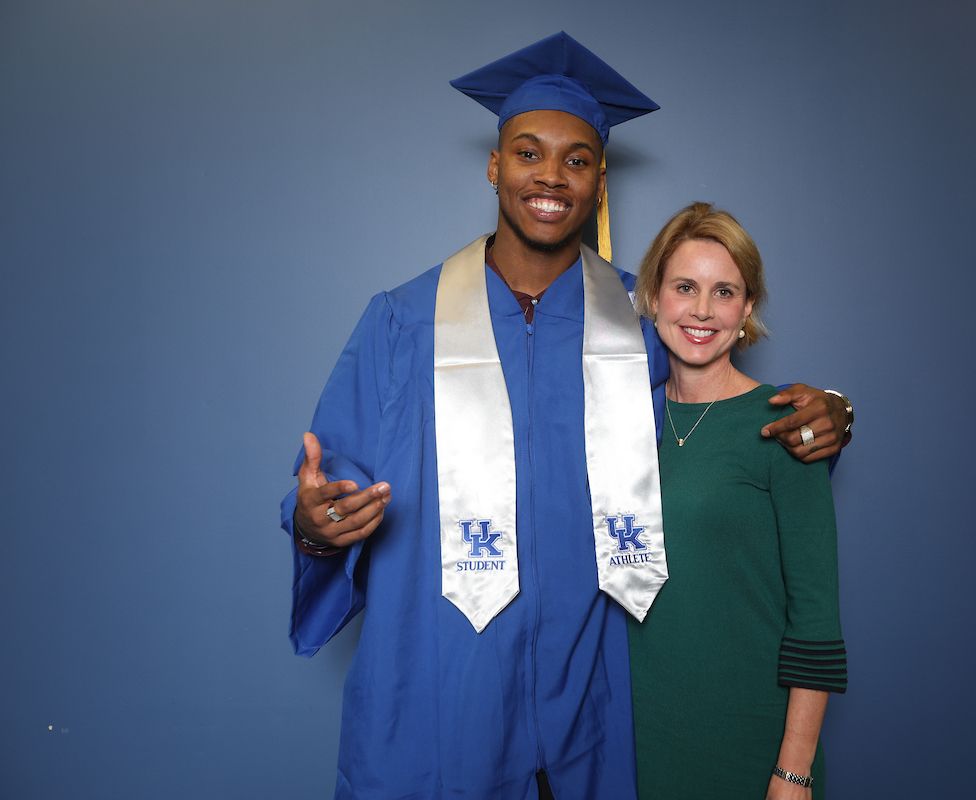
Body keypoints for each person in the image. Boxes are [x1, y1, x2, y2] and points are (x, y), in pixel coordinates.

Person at [281, 34, 852, 800]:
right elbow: (328, 489)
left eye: (577, 159)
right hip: (443, 687)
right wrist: (315, 527)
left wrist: (833, 412)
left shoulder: (639, 323)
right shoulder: (402, 322)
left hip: (596, 694)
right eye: (527, 152)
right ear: (494, 166)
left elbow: (720, 418)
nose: (551, 175)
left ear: (600, 182)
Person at [626, 203, 846, 800]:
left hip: (751, 750)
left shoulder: (784, 423)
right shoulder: (618, 423)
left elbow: (816, 618)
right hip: (632, 745)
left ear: (747, 308)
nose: (701, 310)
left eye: (724, 292)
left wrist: (792, 772)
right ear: (653, 295)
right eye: (684, 287)